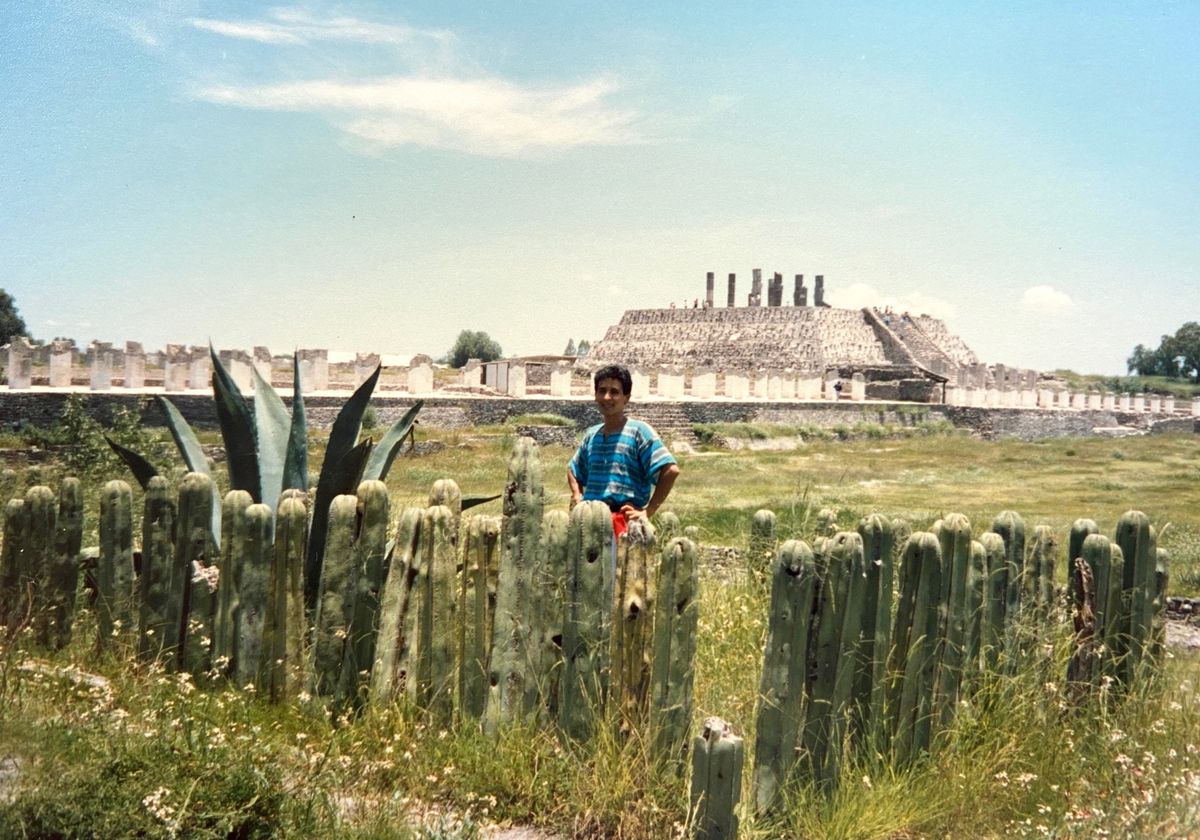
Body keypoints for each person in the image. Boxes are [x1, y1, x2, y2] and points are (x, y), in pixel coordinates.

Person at [567, 364, 680, 542]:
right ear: (595, 395)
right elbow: (573, 468)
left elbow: (670, 470)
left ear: (626, 398)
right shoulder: (592, 434)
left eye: (614, 392)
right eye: (602, 391)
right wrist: (577, 497)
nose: (607, 397)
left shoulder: (638, 432)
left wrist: (647, 512)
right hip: (590, 523)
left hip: (625, 524)